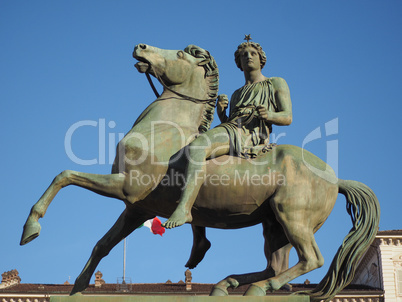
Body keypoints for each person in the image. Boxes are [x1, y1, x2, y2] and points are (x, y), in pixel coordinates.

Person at [162, 40, 293, 229]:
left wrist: (269, 115)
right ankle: (198, 230)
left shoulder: (275, 83)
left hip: (251, 133)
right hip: (233, 130)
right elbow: (229, 126)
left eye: (252, 53)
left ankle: (184, 208)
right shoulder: (236, 94)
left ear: (261, 59)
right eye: (243, 55)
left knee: (198, 146)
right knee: (193, 149)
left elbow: (287, 117)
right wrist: (223, 114)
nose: (248, 56)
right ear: (239, 63)